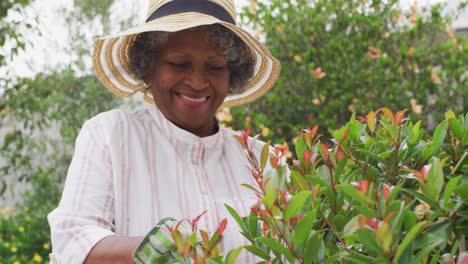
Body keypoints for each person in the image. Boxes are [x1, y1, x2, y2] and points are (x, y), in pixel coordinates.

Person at [48, 0, 280, 263]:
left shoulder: (264, 161)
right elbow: (72, 242)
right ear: (148, 66)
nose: (197, 81)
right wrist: (154, 248)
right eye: (179, 64)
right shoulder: (111, 136)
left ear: (232, 74)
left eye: (214, 67)